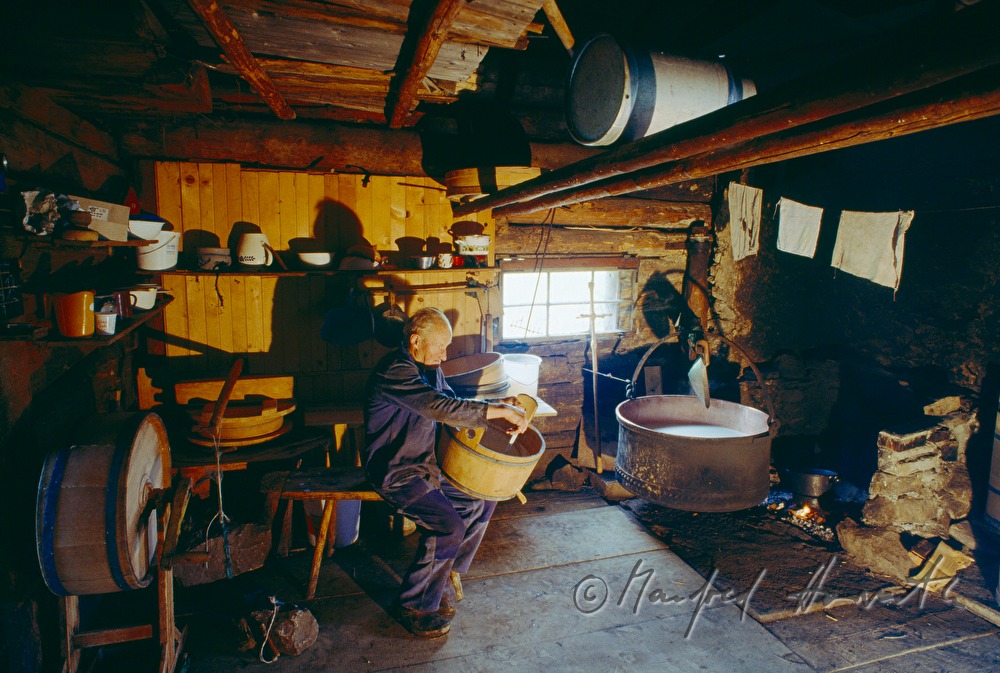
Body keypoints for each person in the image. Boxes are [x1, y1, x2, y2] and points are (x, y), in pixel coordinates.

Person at [363, 307, 528, 638]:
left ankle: (447, 574)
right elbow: (439, 407)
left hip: (427, 468)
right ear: (415, 341)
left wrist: (500, 402)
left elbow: (450, 399)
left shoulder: (429, 368)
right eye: (440, 347)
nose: (445, 354)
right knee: (448, 526)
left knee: (485, 496)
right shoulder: (394, 372)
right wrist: (496, 411)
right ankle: (415, 605)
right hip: (397, 474)